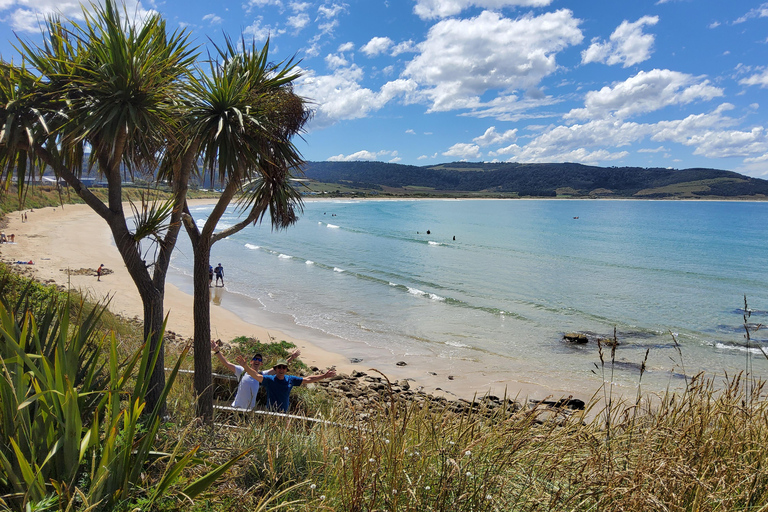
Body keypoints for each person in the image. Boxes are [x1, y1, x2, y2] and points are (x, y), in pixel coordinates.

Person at [212, 340, 301, 410]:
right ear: (251, 362)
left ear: (261, 364)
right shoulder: (242, 370)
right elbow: (226, 363)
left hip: (249, 411)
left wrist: (292, 358)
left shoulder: (262, 375)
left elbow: (278, 368)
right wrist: (217, 351)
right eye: (255, 359)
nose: (257, 361)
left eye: (259, 360)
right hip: (236, 408)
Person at [236, 354, 336, 412]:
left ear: (286, 370)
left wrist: (323, 376)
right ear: (275, 369)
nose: (281, 369)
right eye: (279, 367)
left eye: (284, 367)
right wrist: (245, 366)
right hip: (270, 413)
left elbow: (308, 379)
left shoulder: (290, 379)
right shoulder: (269, 379)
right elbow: (256, 375)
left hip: (284, 413)